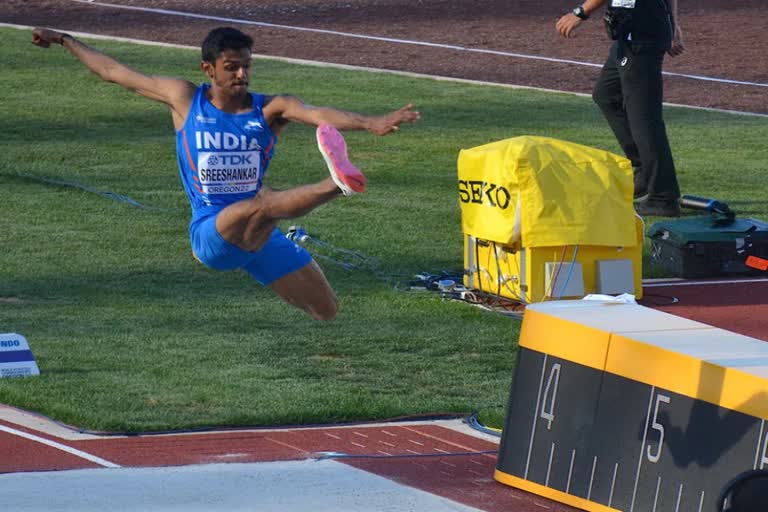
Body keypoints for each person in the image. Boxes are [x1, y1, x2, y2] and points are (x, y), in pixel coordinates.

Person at [31, 26, 420, 320]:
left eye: (246, 66)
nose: (241, 75)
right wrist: (66, 40)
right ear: (208, 68)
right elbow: (114, 71)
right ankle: (337, 183)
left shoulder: (271, 109)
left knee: (327, 310)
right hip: (210, 231)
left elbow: (319, 115)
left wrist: (372, 122)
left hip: (259, 238)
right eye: (231, 67)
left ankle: (336, 182)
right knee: (265, 203)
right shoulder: (185, 99)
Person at [556, 0, 685, 217]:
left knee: (644, 119)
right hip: (631, 35)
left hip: (641, 37)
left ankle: (663, 197)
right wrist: (672, 23)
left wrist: (580, 13)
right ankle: (643, 169)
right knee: (606, 95)